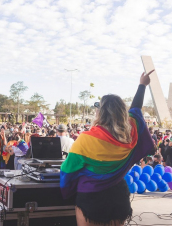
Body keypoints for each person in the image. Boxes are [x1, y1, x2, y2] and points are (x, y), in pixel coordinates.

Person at [60, 70, 155, 226]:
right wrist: (142, 85)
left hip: (91, 200)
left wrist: (66, 193)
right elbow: (136, 109)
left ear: (100, 113)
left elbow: (68, 171)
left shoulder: (86, 139)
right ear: (123, 113)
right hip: (119, 198)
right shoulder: (132, 132)